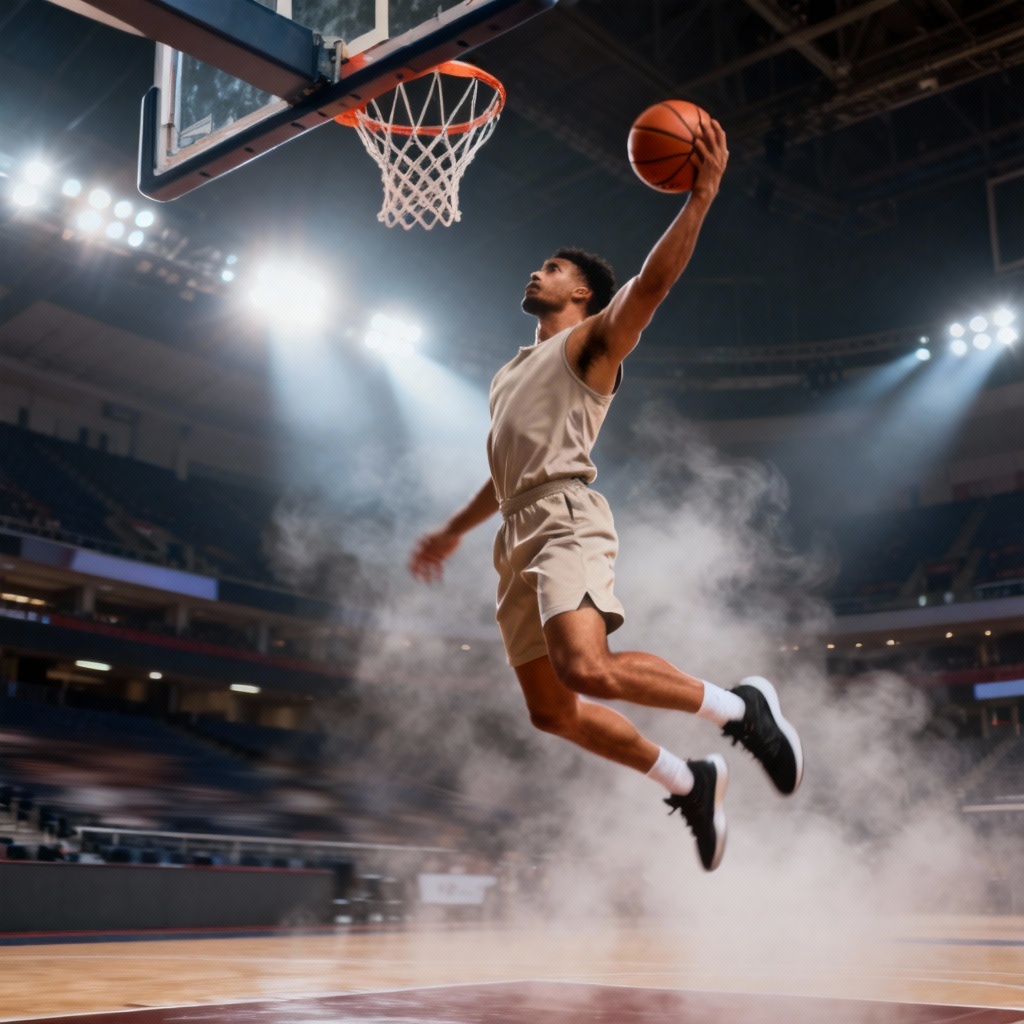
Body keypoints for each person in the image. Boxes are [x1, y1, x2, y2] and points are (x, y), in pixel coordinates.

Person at [409, 118, 802, 871]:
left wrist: (702, 194)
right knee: (551, 709)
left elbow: (651, 287)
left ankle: (739, 709)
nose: (537, 272)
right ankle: (689, 782)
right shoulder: (505, 376)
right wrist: (454, 530)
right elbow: (502, 476)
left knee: (589, 667)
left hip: (565, 519)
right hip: (516, 533)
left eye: (552, 267)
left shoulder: (588, 345)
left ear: (582, 291)